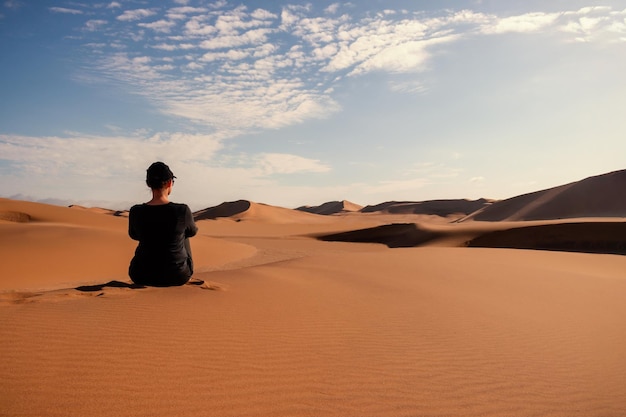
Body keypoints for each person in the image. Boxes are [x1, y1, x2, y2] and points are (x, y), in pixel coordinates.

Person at [128, 161, 198, 286]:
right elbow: (192, 232)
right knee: (184, 234)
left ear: (148, 184)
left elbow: (134, 235)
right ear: (170, 183)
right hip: (178, 276)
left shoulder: (136, 211)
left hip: (141, 275)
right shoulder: (182, 210)